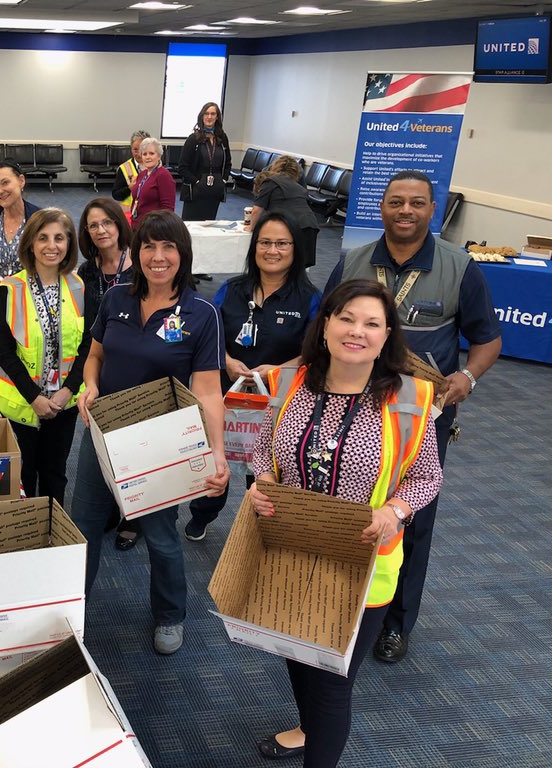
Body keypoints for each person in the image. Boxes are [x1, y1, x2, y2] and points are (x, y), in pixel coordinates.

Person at [247, 278, 443, 766]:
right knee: (295, 652)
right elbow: (263, 448)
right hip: (291, 549)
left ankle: (318, 737)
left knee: (331, 683)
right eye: (347, 318)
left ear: (386, 335)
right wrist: (263, 480)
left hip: (362, 561)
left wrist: (394, 510)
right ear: (326, 324)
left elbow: (426, 477)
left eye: (372, 323)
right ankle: (307, 729)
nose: (357, 331)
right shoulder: (291, 382)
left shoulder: (411, 397)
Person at [324, 170, 501, 664]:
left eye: (417, 203)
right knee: (343, 504)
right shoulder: (353, 261)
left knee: (410, 515)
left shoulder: (459, 267)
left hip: (421, 415)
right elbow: (324, 325)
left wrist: (467, 377)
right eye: (396, 201)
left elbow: (487, 340)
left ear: (433, 209)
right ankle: (337, 605)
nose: (406, 211)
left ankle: (396, 624)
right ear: (382, 206)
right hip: (353, 405)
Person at [72, 210, 230, 656]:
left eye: (168, 247)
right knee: (84, 526)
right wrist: (90, 385)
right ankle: (72, 607)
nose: (158, 257)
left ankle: (170, 614)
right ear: (136, 251)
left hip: (160, 443)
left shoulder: (202, 314)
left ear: (183, 254)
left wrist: (217, 454)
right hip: (104, 433)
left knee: (160, 536)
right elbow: (95, 355)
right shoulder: (116, 298)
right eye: (148, 246)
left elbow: (208, 391)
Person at [184, 212, 322, 542]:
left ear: (295, 249)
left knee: (264, 468)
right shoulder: (231, 289)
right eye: (265, 242)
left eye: (282, 244)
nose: (272, 250)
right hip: (225, 394)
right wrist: (226, 360)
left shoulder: (309, 297)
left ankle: (261, 523)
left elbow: (316, 350)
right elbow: (210, 333)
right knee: (216, 460)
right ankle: (203, 513)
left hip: (277, 400)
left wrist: (280, 369)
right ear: (254, 246)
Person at [0, 208, 90, 506]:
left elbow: (87, 346)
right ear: (30, 243)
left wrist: (68, 390)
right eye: (43, 238)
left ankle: (51, 525)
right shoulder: (10, 289)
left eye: (59, 238)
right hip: (22, 401)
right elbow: (3, 352)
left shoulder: (78, 286)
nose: (51, 246)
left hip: (63, 402)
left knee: (55, 473)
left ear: (69, 243)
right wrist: (34, 397)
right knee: (23, 475)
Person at [75, 198, 141, 551]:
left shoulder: (140, 266)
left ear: (119, 224)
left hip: (133, 366)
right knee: (105, 445)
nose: (101, 230)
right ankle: (112, 509)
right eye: (93, 225)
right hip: (98, 362)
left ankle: (134, 518)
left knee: (135, 447)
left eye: (107, 223)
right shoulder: (86, 271)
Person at [0, 160, 42, 314]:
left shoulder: (39, 220)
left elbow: (50, 265)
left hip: (31, 309)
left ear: (21, 181)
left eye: (5, 183)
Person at [249, 155, 320, 267]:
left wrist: (251, 228)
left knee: (286, 264)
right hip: (310, 225)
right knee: (300, 266)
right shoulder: (298, 186)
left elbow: (257, 210)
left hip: (294, 226)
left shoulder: (270, 181)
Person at [178, 101, 232, 221]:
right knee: (191, 226)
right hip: (196, 191)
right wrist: (197, 182)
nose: (209, 117)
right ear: (202, 116)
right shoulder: (193, 139)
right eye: (206, 113)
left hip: (215, 190)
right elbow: (182, 168)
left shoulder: (222, 138)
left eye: (213, 114)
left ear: (217, 117)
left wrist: (223, 180)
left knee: (209, 224)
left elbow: (228, 162)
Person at [130, 137, 176, 224]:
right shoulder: (142, 175)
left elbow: (168, 210)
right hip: (137, 224)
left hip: (153, 226)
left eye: (151, 153)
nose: (147, 157)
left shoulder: (164, 175)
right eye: (144, 154)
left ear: (159, 156)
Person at [111, 130, 149, 223]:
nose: (139, 153)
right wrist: (129, 189)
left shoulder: (156, 168)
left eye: (142, 149)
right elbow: (116, 195)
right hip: (129, 217)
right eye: (135, 149)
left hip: (150, 216)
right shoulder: (124, 168)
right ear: (131, 148)